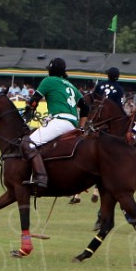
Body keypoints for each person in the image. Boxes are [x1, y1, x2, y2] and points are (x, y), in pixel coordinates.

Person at [21, 57, 83, 190]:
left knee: (28, 143)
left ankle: (41, 177)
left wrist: (29, 108)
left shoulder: (49, 81)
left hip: (60, 121)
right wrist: (81, 127)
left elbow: (34, 100)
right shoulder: (71, 85)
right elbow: (86, 107)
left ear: (51, 70)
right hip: (73, 124)